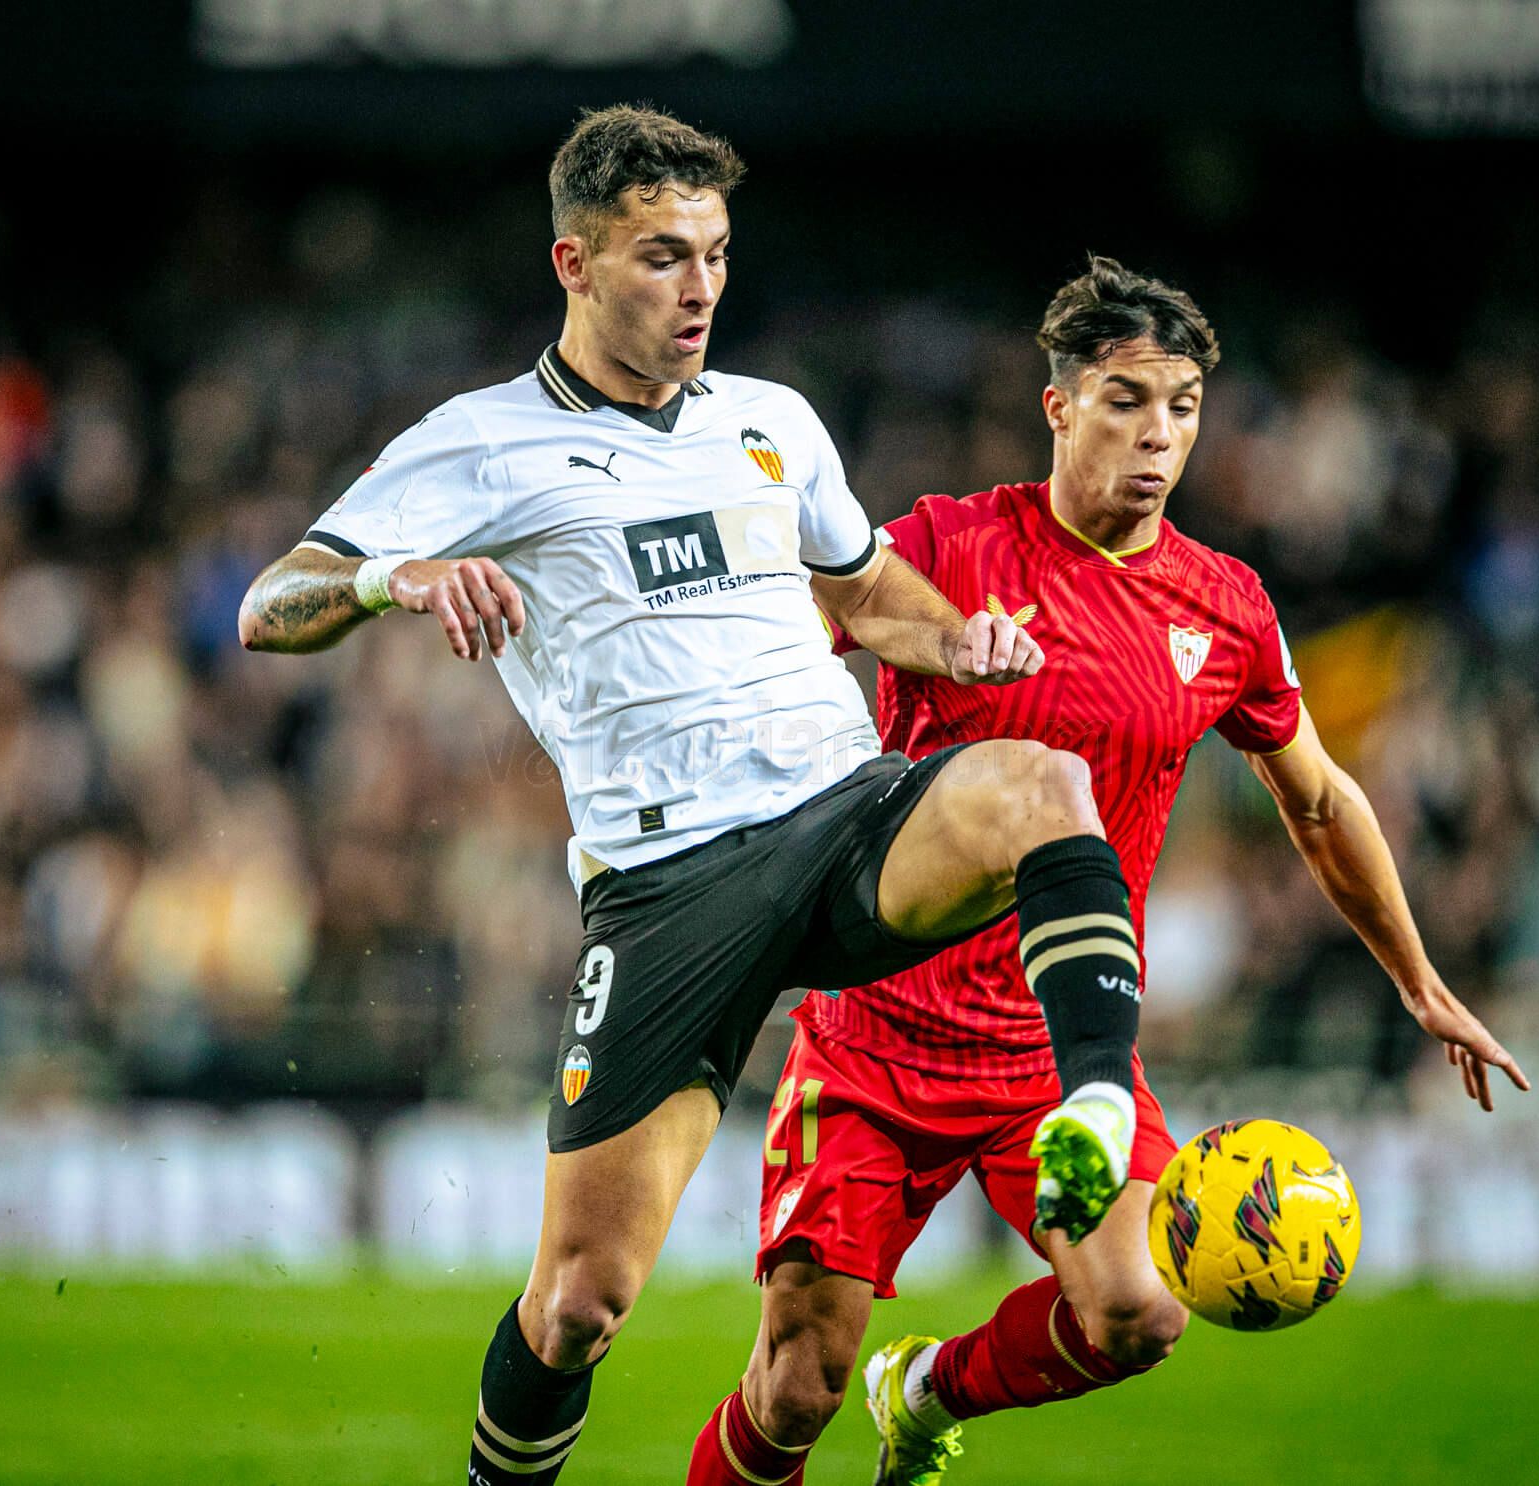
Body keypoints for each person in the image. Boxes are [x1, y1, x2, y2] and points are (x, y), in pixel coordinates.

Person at [237, 110, 1157, 1486]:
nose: (701, 287)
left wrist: (950, 632)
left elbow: (858, 584)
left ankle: (1093, 1105)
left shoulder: (769, 422)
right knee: (578, 1304)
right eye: (664, 256)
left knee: (1039, 781)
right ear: (577, 264)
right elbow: (271, 603)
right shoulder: (480, 444)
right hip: (670, 888)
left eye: (716, 254)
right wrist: (394, 577)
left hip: (845, 815)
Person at [686, 257, 1531, 1486]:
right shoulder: (942, 545)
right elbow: (771, 658)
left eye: (1182, 404)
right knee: (794, 1385)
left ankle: (920, 1394)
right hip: (878, 1040)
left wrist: (1417, 977)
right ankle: (845, 1391)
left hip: (1056, 1056)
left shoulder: (1223, 607)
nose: (1158, 434)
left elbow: (1317, 798)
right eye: (1127, 398)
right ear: (1059, 405)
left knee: (1140, 1311)